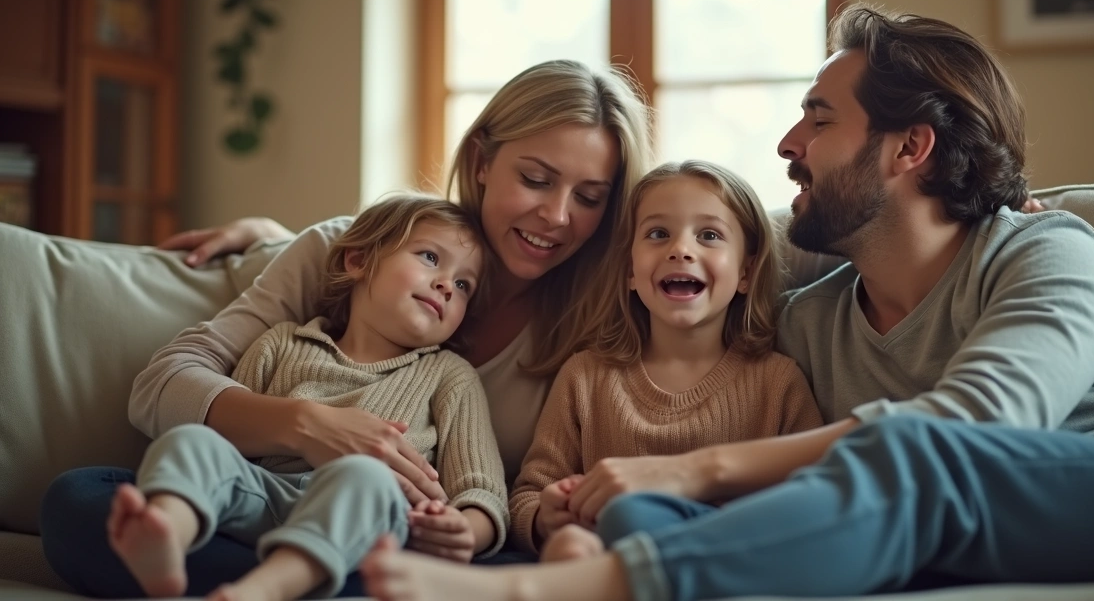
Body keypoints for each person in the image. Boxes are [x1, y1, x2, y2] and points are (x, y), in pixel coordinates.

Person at [350, 3, 1094, 601]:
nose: (787, 144)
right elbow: (712, 236)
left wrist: (693, 465)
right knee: (647, 510)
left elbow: (981, 424)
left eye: (817, 119)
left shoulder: (1047, 250)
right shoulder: (812, 311)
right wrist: (308, 234)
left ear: (909, 147)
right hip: (945, 525)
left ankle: (572, 591)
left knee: (917, 447)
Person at [40, 59, 653, 598]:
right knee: (79, 501)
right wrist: (310, 426)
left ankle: (310, 581)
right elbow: (163, 387)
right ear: (482, 161)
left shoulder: (598, 325)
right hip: (267, 507)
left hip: (395, 531)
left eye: (591, 197)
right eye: (537, 179)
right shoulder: (341, 254)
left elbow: (509, 502)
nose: (558, 215)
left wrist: (472, 530)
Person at [105, 195, 508, 601]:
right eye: (429, 258)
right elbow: (230, 444)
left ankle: (262, 591)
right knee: (191, 439)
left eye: (463, 285)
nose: (446, 285)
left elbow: (483, 489)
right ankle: (165, 539)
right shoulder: (281, 342)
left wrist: (464, 532)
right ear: (358, 261)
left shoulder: (451, 376)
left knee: (366, 476)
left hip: (364, 520)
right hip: (263, 497)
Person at [509, 161, 823, 559]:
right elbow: (529, 495)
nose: (680, 250)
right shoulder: (585, 377)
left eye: (709, 235)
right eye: (658, 234)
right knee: (574, 544)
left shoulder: (779, 383)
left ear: (746, 271)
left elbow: (816, 491)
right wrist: (545, 517)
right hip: (608, 557)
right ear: (629, 269)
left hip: (728, 557)